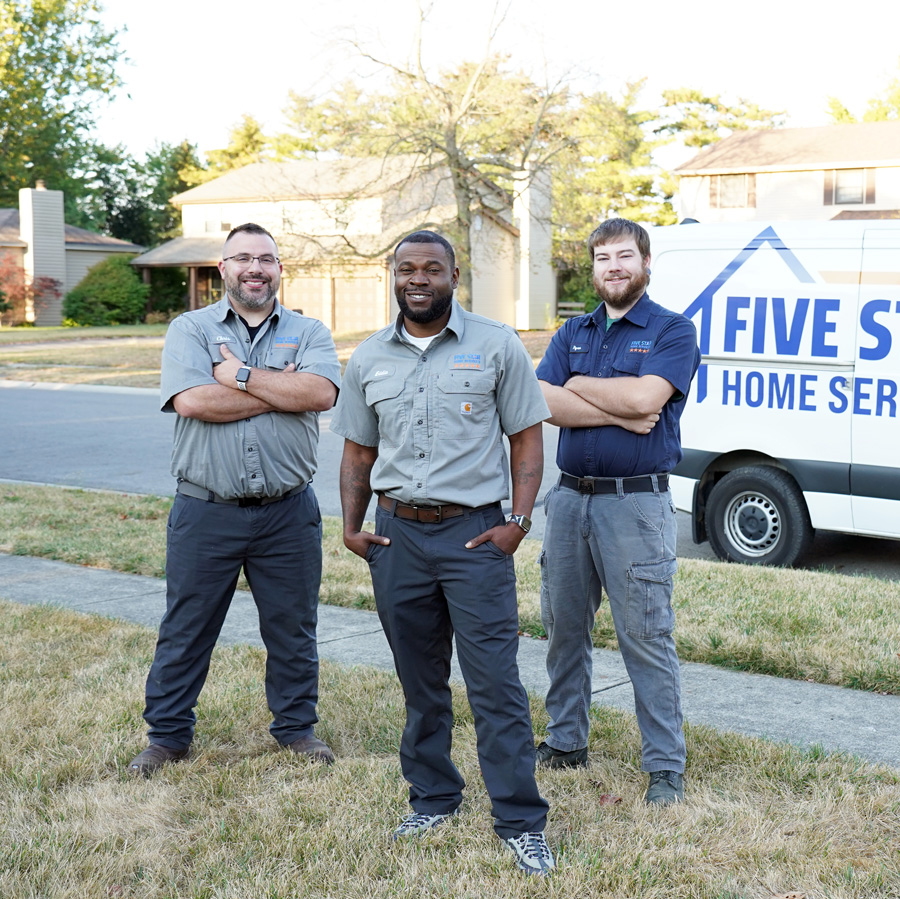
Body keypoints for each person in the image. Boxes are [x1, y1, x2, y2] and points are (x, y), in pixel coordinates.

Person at [330, 231, 554, 876]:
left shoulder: (496, 345)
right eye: (406, 269)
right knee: (420, 682)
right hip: (397, 537)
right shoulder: (369, 356)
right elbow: (357, 452)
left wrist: (517, 520)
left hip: (474, 538)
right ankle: (432, 797)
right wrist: (351, 527)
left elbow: (526, 441)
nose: (418, 278)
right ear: (392, 276)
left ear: (456, 275)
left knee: (495, 685)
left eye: (432, 268)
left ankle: (519, 820)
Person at [129, 223, 341, 776]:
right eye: (242, 257)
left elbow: (319, 393)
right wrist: (278, 392)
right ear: (222, 268)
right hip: (206, 510)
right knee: (186, 626)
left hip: (288, 512)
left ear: (278, 268)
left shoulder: (310, 330)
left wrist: (240, 376)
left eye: (266, 258)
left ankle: (296, 728)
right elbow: (194, 401)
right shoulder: (189, 330)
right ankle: (168, 736)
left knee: (293, 627)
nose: (255, 268)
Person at [534, 218, 700, 806]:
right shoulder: (572, 332)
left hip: (636, 504)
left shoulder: (672, 331)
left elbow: (647, 399)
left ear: (645, 263)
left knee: (646, 634)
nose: (613, 266)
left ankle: (663, 766)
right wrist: (617, 407)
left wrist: (583, 388)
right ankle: (565, 742)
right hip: (569, 499)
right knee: (563, 628)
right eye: (602, 257)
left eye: (624, 255)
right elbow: (543, 402)